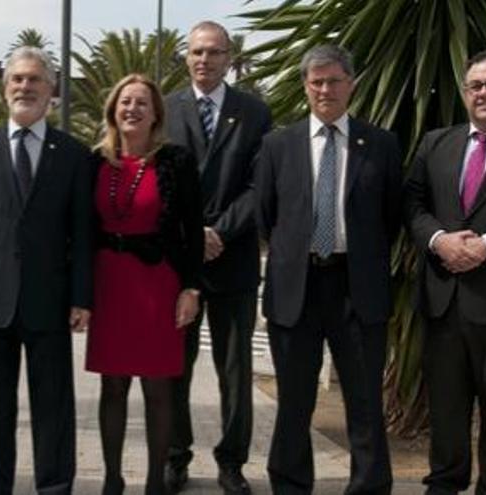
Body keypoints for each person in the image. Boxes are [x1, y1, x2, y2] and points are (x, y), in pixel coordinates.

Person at [254, 45, 400, 494]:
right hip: (297, 288)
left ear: (351, 84)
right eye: (316, 82)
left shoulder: (380, 143)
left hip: (356, 289)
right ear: (305, 86)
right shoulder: (279, 144)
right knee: (294, 401)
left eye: (334, 80)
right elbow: (265, 214)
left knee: (363, 401)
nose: (325, 89)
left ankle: (369, 486)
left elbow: (390, 217)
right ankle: (291, 485)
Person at [0, 46, 93, 495]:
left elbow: (82, 232)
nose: (25, 87)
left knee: (53, 405)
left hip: (50, 301)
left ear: (51, 91)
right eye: (17, 79)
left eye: (35, 80)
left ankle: (54, 486)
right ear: (4, 87)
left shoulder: (73, 154)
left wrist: (81, 297)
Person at [163, 21, 272, 494]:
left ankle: (232, 462)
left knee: (235, 370)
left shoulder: (254, 112)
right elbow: (159, 185)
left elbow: (259, 185)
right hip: (178, 265)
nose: (204, 60)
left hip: (234, 260)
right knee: (173, 367)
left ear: (230, 58)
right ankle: (174, 456)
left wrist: (219, 231)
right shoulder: (165, 110)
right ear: (186, 57)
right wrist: (192, 237)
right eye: (196, 52)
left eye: (213, 52)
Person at [85, 73, 203, 495]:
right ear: (113, 109)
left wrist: (191, 287)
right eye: (125, 102)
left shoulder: (176, 161)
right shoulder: (95, 161)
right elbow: (81, 231)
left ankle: (156, 481)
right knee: (112, 384)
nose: (132, 109)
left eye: (141, 103)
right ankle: (112, 479)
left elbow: (192, 229)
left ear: (155, 115)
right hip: (109, 285)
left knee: (158, 385)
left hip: (158, 284)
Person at [403, 49, 486, 494]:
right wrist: (438, 240)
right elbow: (412, 204)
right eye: (476, 85)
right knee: (445, 412)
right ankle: (444, 486)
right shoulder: (436, 143)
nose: (484, 93)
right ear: (465, 92)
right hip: (443, 302)